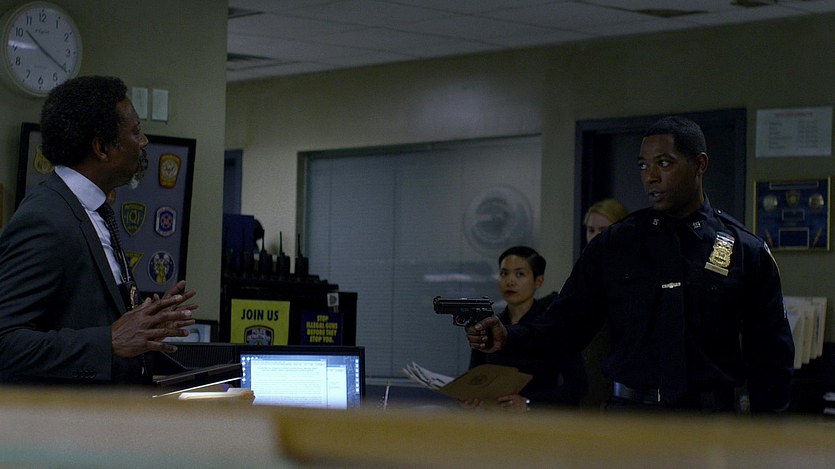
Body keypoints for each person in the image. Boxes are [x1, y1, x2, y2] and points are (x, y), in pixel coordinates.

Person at [468, 116, 794, 413]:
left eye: (664, 163)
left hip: (709, 421)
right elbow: (566, 324)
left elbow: (772, 356)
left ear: (699, 165)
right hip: (629, 415)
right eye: (643, 165)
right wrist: (509, 336)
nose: (650, 176)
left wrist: (767, 436)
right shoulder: (615, 245)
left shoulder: (744, 250)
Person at [0, 76, 197, 385]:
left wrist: (146, 321)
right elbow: (5, 341)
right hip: (66, 416)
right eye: (135, 131)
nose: (144, 141)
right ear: (102, 148)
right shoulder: (46, 219)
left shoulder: (93, 209)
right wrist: (108, 342)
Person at [465, 246, 587, 412]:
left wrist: (529, 403)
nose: (510, 281)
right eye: (504, 273)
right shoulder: (490, 325)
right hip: (493, 417)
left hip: (538, 419)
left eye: (520, 274)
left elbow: (578, 386)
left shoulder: (552, 325)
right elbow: (474, 377)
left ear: (538, 281)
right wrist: (470, 398)